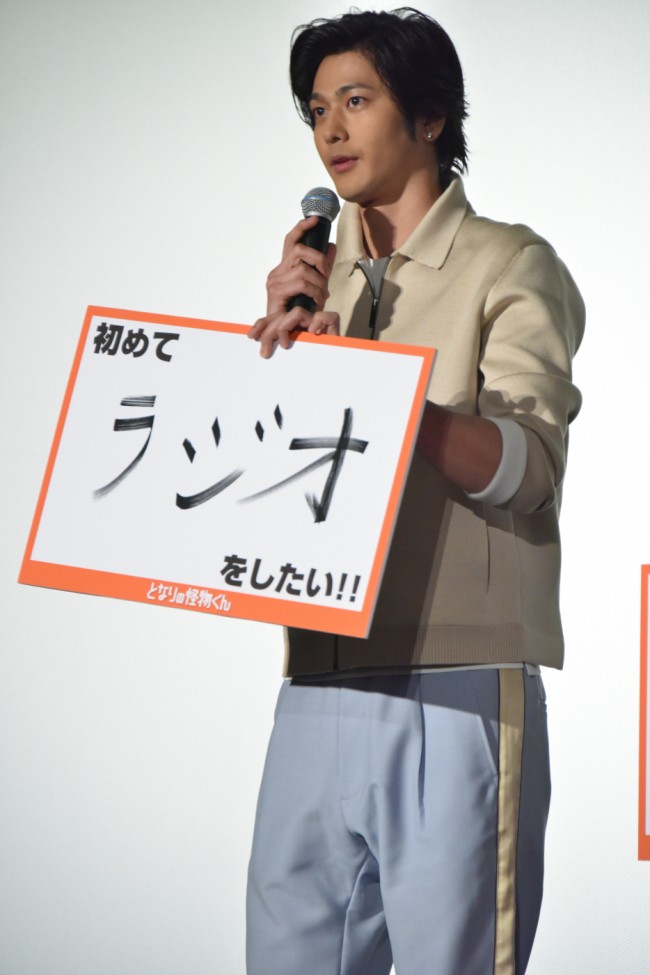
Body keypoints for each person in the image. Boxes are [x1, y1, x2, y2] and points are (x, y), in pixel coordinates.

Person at [246, 8, 584, 975]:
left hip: (457, 683)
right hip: (316, 677)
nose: (332, 129)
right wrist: (267, 359)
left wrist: (382, 395)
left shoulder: (509, 263)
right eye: (318, 109)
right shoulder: (319, 287)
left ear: (430, 116)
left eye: (357, 100)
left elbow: (530, 468)